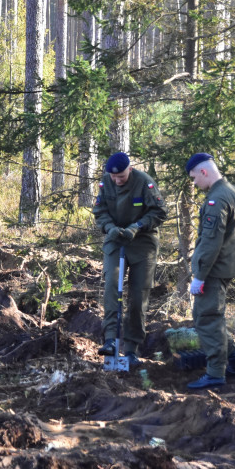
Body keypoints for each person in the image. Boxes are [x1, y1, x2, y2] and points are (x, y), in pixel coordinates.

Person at [91, 152, 168, 367]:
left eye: (121, 177)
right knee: (112, 287)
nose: (117, 180)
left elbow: (160, 211)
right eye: (113, 177)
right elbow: (100, 210)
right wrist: (110, 228)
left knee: (138, 294)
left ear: (130, 169)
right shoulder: (106, 182)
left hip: (142, 242)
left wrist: (138, 226)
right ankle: (110, 342)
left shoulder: (145, 183)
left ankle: (132, 348)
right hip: (116, 239)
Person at [185, 153, 235, 389]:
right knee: (215, 318)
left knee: (207, 319)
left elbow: (211, 242)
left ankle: (215, 373)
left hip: (213, 270)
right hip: (226, 266)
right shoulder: (233, 192)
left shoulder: (217, 199)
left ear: (203, 172)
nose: (194, 184)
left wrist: (199, 276)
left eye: (194, 178)